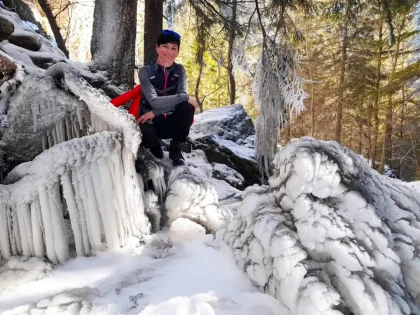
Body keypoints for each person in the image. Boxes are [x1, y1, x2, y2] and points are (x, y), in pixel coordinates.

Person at [137, 30, 198, 166]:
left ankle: (175, 147)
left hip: (171, 120)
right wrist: (184, 97)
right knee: (146, 133)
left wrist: (156, 111)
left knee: (187, 108)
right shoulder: (145, 71)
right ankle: (154, 146)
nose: (169, 51)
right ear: (157, 47)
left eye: (173, 48)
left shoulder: (179, 70)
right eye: (165, 46)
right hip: (151, 121)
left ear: (178, 51)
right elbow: (153, 101)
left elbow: (182, 102)